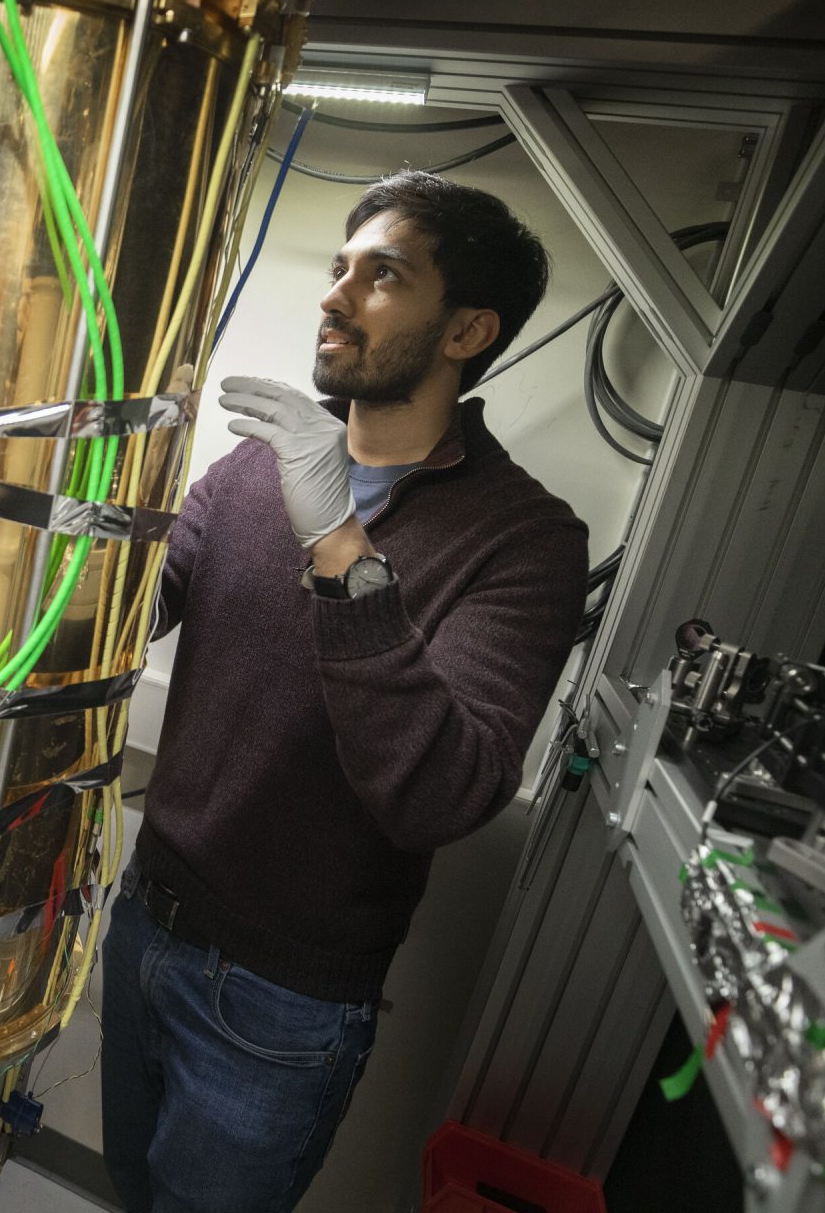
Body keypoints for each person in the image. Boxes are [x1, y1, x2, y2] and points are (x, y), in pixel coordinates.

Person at [100, 170, 589, 1213]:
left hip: (282, 1003)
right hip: (146, 921)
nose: (335, 294)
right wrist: (98, 499)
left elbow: (441, 790)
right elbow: (117, 621)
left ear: (467, 329)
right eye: (338, 269)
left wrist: (337, 540)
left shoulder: (525, 541)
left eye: (383, 276)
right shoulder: (247, 473)